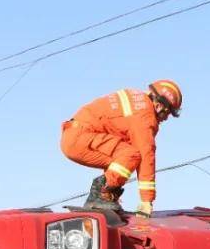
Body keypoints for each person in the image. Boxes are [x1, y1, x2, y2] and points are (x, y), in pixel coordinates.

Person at [60, 80, 183, 215]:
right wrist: (146, 201)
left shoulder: (136, 100)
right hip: (81, 137)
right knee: (132, 155)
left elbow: (117, 153)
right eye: (167, 113)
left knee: (124, 155)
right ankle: (102, 194)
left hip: (74, 136)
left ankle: (105, 197)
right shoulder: (144, 115)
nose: (166, 118)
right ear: (159, 106)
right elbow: (146, 155)